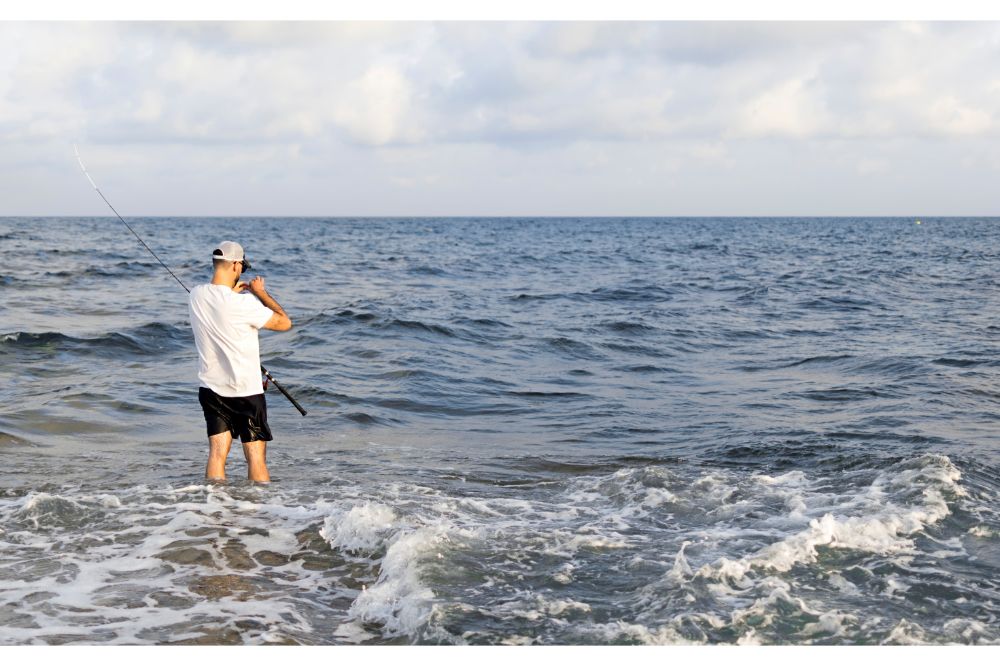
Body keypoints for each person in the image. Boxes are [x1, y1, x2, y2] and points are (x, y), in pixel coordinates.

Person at [188, 241, 292, 483]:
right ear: (236, 265)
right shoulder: (246, 304)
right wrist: (261, 293)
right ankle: (259, 514)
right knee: (256, 460)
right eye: (242, 267)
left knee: (216, 454)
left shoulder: (196, 294)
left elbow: (218, 301)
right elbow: (284, 322)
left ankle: (213, 508)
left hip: (211, 390)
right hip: (246, 392)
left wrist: (231, 292)